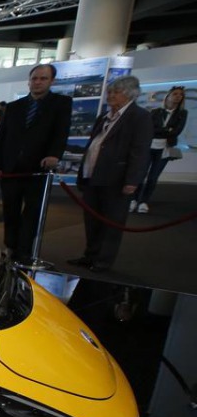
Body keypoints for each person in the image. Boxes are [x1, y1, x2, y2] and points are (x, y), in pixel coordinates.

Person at [67, 75, 153, 273]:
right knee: (92, 220)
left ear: (130, 94)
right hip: (93, 176)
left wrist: (133, 180)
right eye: (110, 91)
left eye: (116, 92)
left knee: (111, 222)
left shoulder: (139, 117)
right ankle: (90, 255)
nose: (111, 95)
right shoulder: (104, 117)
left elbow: (140, 151)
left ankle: (103, 261)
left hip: (116, 179)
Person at [0, 65, 72, 264]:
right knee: (10, 210)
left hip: (37, 169)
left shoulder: (60, 104)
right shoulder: (14, 107)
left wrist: (54, 155)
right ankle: (10, 246)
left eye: (43, 78)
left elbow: (61, 132)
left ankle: (25, 251)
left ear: (52, 81)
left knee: (32, 211)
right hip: (11, 168)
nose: (38, 82)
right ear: (29, 81)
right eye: (35, 78)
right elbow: (0, 139)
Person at [131, 85, 187, 214]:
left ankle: (144, 201)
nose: (178, 96)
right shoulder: (156, 111)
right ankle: (133, 199)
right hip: (149, 147)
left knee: (153, 177)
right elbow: (149, 129)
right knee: (141, 175)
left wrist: (163, 131)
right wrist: (167, 130)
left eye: (181, 95)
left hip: (165, 149)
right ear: (168, 95)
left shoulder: (183, 113)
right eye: (176, 94)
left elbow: (177, 131)